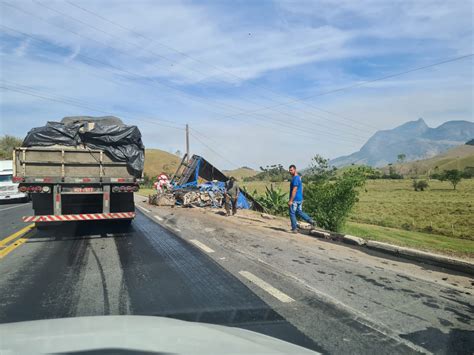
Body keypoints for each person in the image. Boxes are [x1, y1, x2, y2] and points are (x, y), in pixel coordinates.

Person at [288, 164, 315, 233]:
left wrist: (291, 200)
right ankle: (310, 221)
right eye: (289, 170)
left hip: (295, 199)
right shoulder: (299, 178)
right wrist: (302, 198)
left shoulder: (296, 178)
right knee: (299, 212)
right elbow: (302, 188)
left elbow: (294, 189)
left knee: (292, 213)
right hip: (299, 199)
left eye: (291, 170)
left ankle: (294, 228)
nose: (290, 171)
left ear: (295, 170)